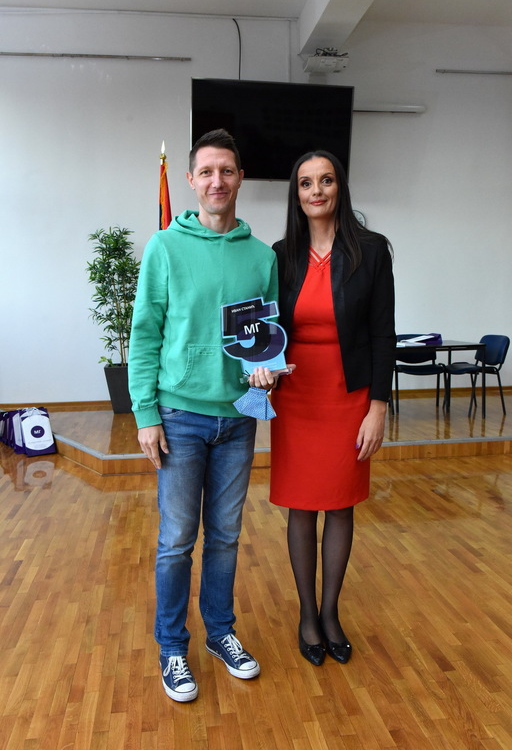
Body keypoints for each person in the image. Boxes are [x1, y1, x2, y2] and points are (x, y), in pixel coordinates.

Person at [128, 129, 277, 702]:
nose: (218, 181)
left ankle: (220, 633)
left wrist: (267, 369)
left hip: (238, 419)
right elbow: (145, 334)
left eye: (228, 171)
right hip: (179, 417)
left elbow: (266, 338)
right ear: (191, 181)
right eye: (207, 172)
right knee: (176, 540)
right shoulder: (165, 247)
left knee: (226, 536)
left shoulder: (261, 257)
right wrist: (146, 413)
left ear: (240, 179)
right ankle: (172, 647)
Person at [254, 150, 395, 666]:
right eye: (306, 183)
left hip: (349, 394)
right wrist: (259, 365)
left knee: (339, 503)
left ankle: (331, 612)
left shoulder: (371, 250)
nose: (317, 191)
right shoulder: (280, 255)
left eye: (326, 181)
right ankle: (307, 615)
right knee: (301, 504)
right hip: (298, 396)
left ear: (340, 187)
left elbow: (383, 333)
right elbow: (268, 327)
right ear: (296, 194)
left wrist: (378, 407)